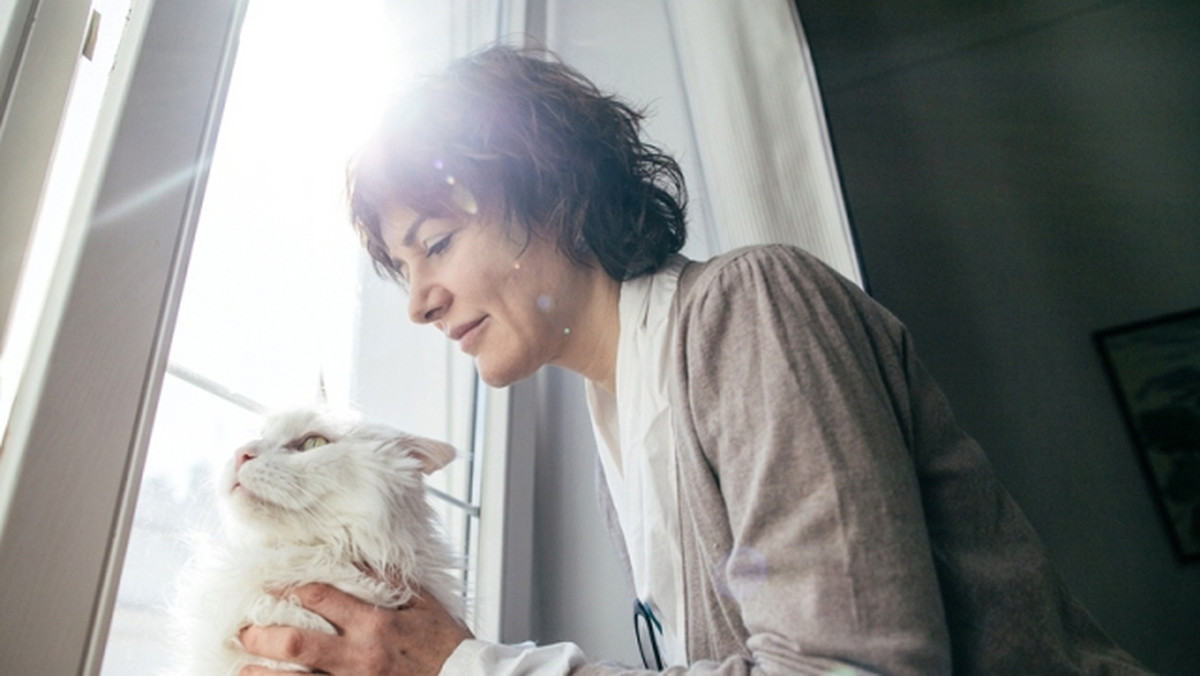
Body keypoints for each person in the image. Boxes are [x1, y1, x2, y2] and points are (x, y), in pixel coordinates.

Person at [238, 45, 1152, 675]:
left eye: (434, 242)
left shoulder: (753, 310)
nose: (416, 300)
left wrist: (464, 663)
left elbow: (855, 667)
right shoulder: (625, 426)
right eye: (401, 269)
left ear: (553, 193)